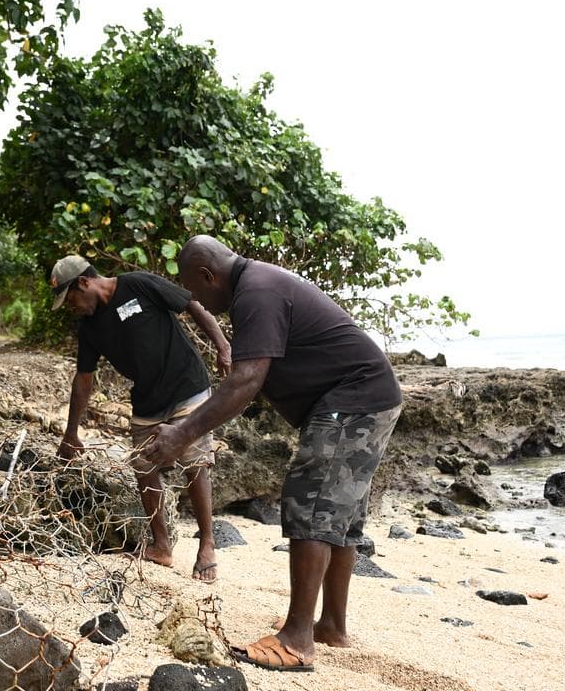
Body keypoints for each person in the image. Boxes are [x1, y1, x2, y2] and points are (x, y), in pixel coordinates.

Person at [140, 235, 403, 672]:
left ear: (208, 276)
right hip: (370, 395)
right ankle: (331, 626)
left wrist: (180, 434)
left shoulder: (255, 292)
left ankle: (297, 639)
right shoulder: (260, 283)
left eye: (196, 289)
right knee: (339, 515)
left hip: (353, 399)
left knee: (310, 500)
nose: (198, 300)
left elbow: (246, 381)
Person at [50, 254, 232, 582]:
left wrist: (223, 346)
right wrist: (71, 433)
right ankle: (161, 545)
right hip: (147, 400)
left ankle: (207, 545)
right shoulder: (89, 326)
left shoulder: (137, 284)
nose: (71, 305)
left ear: (83, 282)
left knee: (195, 462)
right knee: (143, 467)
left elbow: (192, 304)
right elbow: (84, 379)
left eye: (71, 298)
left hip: (187, 385)